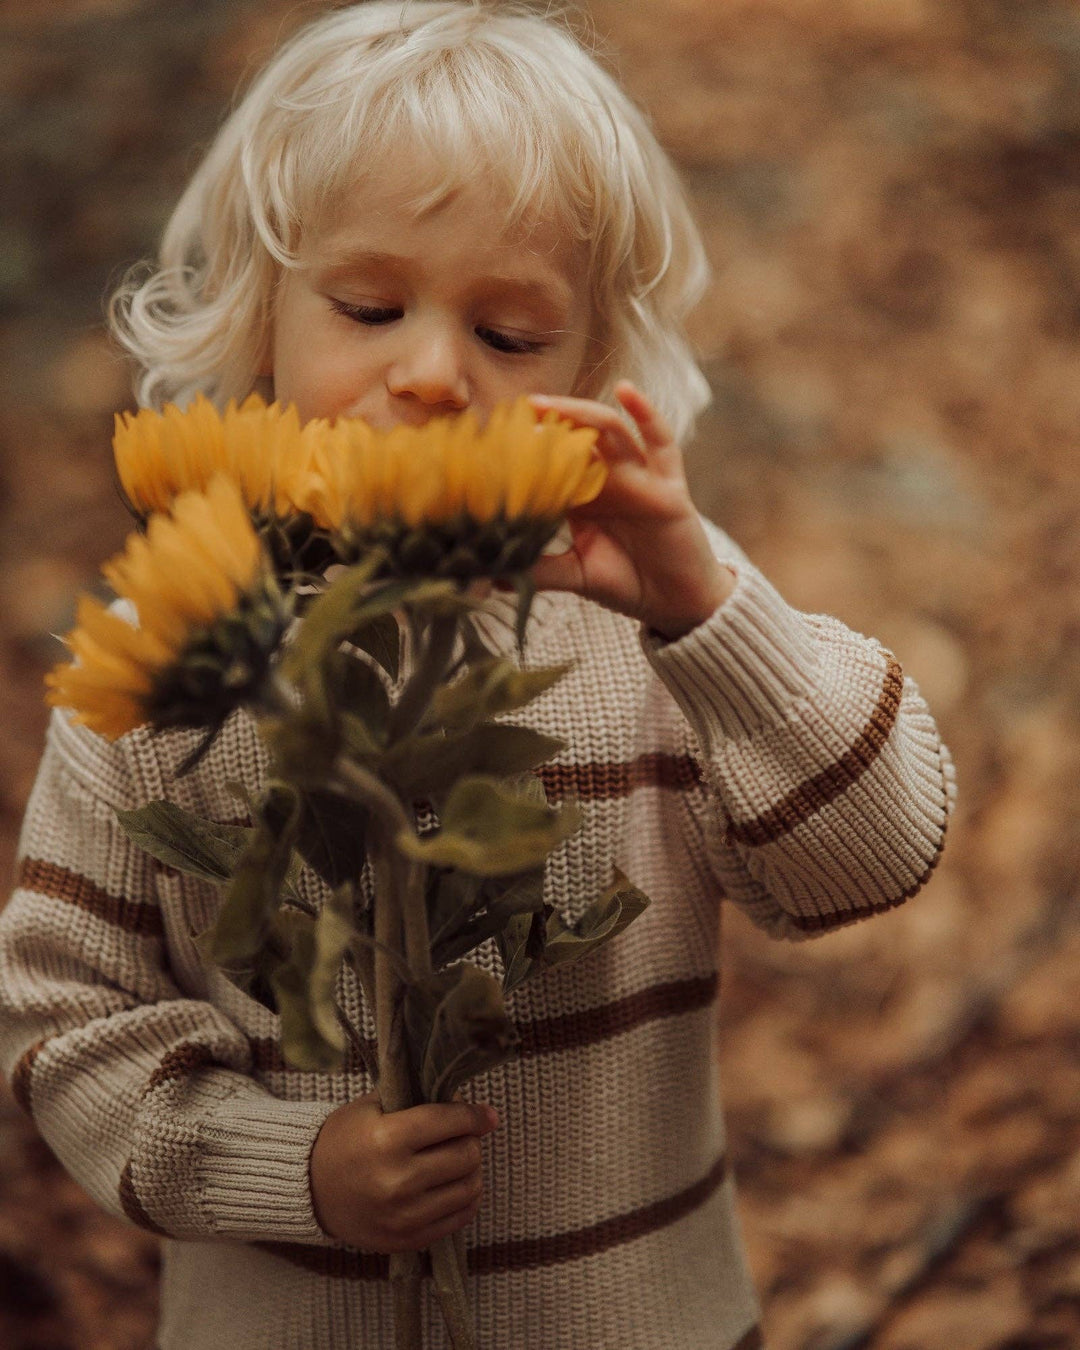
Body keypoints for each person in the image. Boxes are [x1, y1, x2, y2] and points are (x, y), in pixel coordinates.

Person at [0, 4, 956, 1348]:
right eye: (371, 306)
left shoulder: (644, 613)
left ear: (593, 371)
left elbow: (876, 853)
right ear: (260, 317)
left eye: (509, 335)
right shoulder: (169, 648)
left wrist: (700, 598)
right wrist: (297, 1163)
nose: (435, 371)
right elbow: (63, 1021)